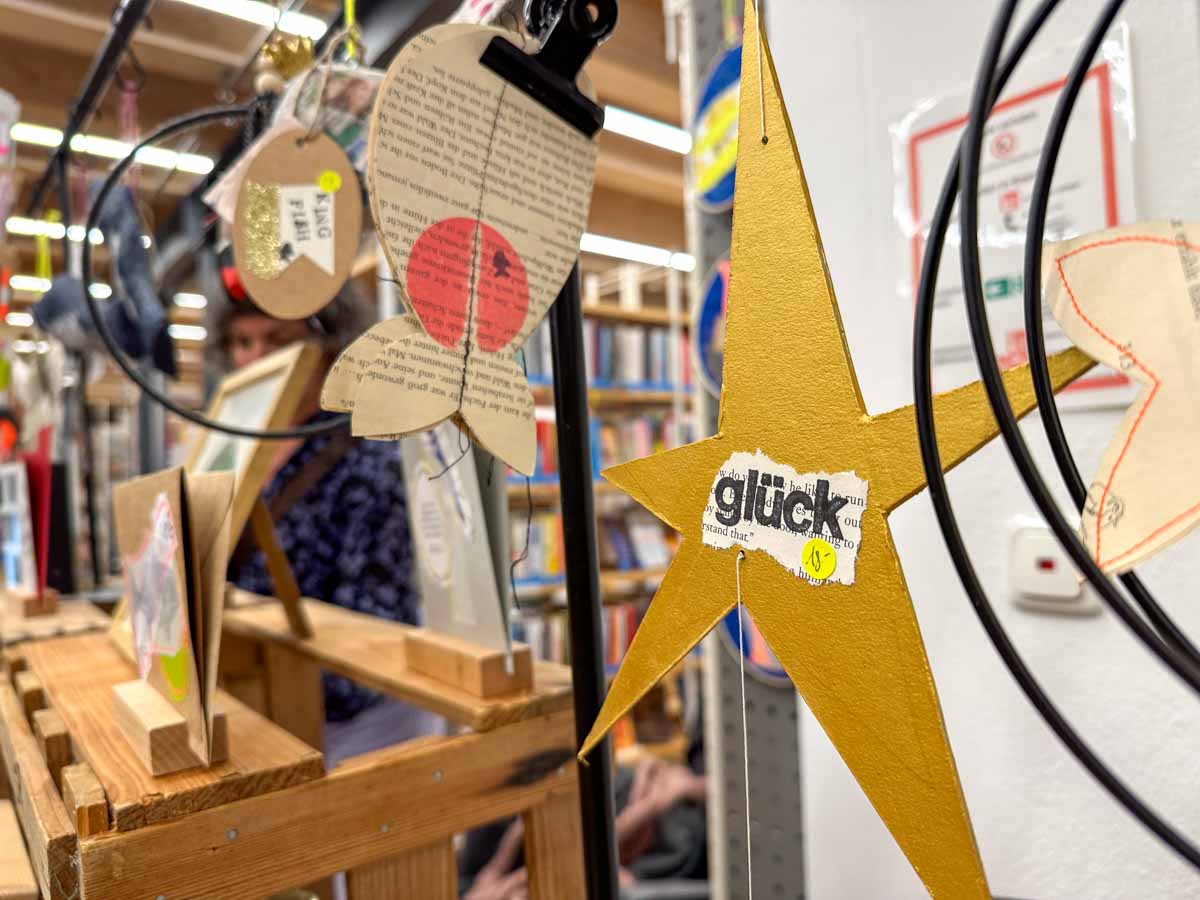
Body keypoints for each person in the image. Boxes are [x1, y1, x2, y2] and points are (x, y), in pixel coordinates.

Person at [213, 255, 437, 764]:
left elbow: (373, 632)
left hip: (356, 732)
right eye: (242, 342)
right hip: (263, 709)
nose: (256, 360)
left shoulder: (369, 453)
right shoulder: (239, 450)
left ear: (331, 349)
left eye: (278, 341)